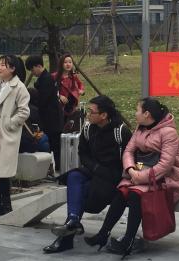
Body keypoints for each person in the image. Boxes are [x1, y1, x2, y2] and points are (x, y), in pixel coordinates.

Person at [85, 97, 179, 257]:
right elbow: (128, 151)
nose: (135, 113)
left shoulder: (169, 133)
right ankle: (103, 234)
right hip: (140, 173)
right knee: (121, 192)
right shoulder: (141, 127)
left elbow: (165, 165)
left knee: (135, 194)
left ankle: (128, 240)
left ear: (147, 114)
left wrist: (140, 177)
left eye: (137, 110)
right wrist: (131, 170)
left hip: (166, 177)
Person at [43, 95, 132, 254]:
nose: (87, 115)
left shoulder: (121, 132)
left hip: (111, 176)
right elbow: (82, 153)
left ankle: (66, 237)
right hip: (93, 170)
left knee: (82, 191)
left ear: (103, 115)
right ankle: (73, 220)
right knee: (74, 176)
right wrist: (94, 167)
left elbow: (130, 157)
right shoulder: (88, 128)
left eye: (91, 112)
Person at [0, 55, 30, 217]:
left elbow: (24, 111)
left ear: (12, 68)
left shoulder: (19, 87)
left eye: (3, 65)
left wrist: (9, 124)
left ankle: (4, 205)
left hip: (7, 136)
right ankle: (2, 204)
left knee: (3, 171)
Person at [25, 55, 63, 170]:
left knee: (55, 145)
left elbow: (42, 100)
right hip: (51, 118)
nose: (32, 73)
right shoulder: (44, 78)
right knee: (52, 144)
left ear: (38, 66)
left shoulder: (46, 79)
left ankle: (58, 168)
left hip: (52, 118)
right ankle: (54, 168)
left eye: (32, 70)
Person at [52, 54, 85, 131]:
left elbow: (80, 85)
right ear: (61, 64)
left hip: (72, 106)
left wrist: (81, 90)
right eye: (65, 62)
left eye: (70, 62)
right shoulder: (54, 76)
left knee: (72, 127)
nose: (68, 64)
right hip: (59, 107)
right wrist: (59, 96)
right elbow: (50, 90)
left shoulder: (73, 76)